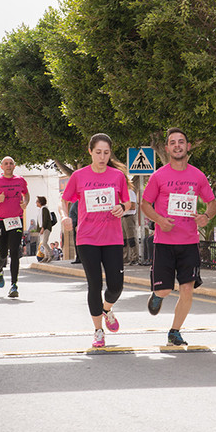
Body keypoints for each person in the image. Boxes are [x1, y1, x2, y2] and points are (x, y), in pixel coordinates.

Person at [141, 127, 216, 346]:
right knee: (164, 289)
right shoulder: (159, 176)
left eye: (181, 142)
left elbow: (212, 202)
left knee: (187, 289)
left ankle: (175, 331)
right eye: (173, 142)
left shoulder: (198, 175)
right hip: (164, 243)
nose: (177, 145)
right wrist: (159, 220)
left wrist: (206, 216)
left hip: (189, 243)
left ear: (188, 146)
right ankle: (158, 294)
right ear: (167, 148)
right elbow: (145, 204)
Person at [61, 133, 130, 349]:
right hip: (87, 238)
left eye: (106, 153)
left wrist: (122, 207)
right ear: (90, 151)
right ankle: (98, 331)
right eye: (98, 152)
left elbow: (128, 202)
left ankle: (107, 309)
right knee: (94, 285)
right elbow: (64, 200)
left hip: (112, 238)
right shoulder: (79, 176)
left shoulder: (117, 176)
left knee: (116, 286)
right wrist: (64, 216)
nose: (102, 157)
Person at [0, 156, 30, 298]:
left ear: (14, 166)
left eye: (11, 163)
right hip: (0, 221)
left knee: (15, 252)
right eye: (6, 164)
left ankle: (14, 285)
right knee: (3, 253)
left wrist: (25, 203)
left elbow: (26, 194)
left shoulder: (20, 180)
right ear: (2, 167)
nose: (8, 166)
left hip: (16, 220)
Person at [122, 179, 139, 265]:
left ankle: (134, 257)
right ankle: (125, 258)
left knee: (131, 238)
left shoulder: (129, 192)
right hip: (122, 216)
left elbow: (133, 206)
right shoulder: (120, 193)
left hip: (129, 216)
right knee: (124, 239)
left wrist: (122, 207)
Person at [36, 195, 52, 262]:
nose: (36, 203)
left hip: (46, 228)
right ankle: (46, 256)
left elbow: (45, 220)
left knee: (44, 243)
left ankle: (50, 254)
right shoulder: (41, 209)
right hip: (42, 229)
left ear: (40, 202)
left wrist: (43, 228)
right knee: (43, 243)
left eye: (37, 201)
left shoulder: (44, 209)